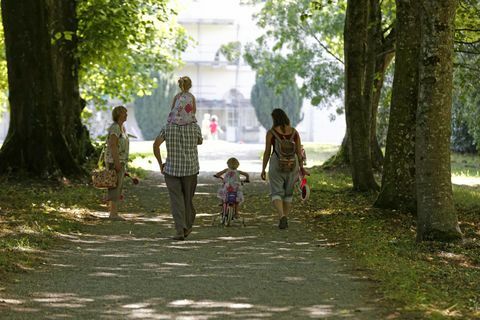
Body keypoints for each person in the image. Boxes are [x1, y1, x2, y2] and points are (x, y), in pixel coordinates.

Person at [153, 121, 203, 240]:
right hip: (190, 169)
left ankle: (179, 230)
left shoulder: (167, 127)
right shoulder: (195, 127)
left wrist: (160, 164)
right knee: (187, 200)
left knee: (176, 201)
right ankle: (188, 226)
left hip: (171, 169)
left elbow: (156, 145)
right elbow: (199, 141)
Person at [260, 108, 309, 229]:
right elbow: (299, 152)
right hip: (293, 165)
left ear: (274, 119)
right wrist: (301, 167)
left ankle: (281, 216)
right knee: (288, 193)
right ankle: (286, 217)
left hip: (277, 163)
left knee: (276, 192)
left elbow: (267, 152)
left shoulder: (271, 133)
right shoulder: (294, 132)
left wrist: (263, 169)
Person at [105, 105, 130, 220]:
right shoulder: (115, 128)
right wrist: (117, 163)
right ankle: (113, 214)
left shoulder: (122, 128)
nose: (127, 114)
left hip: (121, 161)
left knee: (118, 186)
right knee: (114, 187)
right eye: (125, 112)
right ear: (119, 114)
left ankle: (114, 212)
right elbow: (113, 145)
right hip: (114, 161)